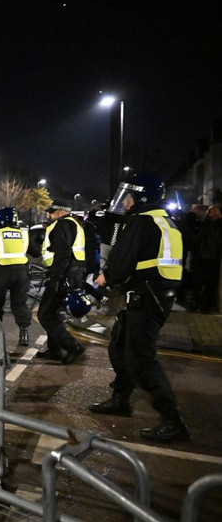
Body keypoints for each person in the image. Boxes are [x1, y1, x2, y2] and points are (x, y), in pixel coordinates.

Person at [90, 173, 190, 442]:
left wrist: (106, 278)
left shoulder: (141, 222)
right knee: (120, 346)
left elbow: (122, 259)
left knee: (141, 360)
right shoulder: (164, 220)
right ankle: (120, 399)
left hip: (148, 297)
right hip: (152, 295)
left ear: (142, 196)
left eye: (131, 195)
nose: (128, 201)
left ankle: (172, 420)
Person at [36, 200, 87, 364]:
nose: (49, 215)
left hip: (63, 275)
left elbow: (63, 255)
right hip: (72, 274)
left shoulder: (62, 225)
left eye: (52, 212)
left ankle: (73, 347)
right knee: (53, 314)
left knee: (45, 315)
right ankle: (55, 350)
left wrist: (56, 279)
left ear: (62, 211)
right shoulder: (74, 224)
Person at [0, 207, 32, 346]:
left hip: (3, 272)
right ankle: (24, 334)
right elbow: (36, 252)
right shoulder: (24, 234)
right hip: (22, 273)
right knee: (19, 303)